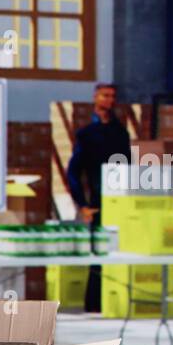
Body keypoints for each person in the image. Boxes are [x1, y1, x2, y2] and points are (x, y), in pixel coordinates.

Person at [66, 83, 131, 312]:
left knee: (117, 252)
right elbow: (73, 171)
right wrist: (82, 204)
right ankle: (94, 305)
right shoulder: (86, 134)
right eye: (105, 96)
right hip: (96, 202)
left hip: (119, 202)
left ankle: (115, 302)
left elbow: (128, 168)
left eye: (113, 96)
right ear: (95, 98)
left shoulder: (120, 132)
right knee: (97, 254)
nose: (109, 101)